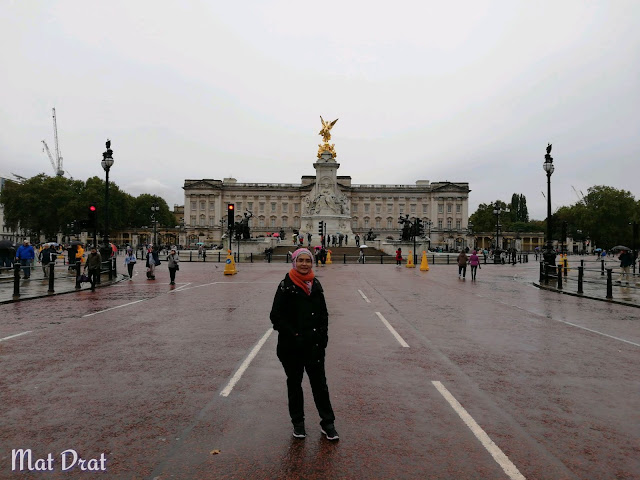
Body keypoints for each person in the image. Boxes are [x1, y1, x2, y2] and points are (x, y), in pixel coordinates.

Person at [269, 248, 338, 441]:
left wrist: (323, 337)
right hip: (292, 346)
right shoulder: (285, 285)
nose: (305, 264)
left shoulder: (315, 283)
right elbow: (276, 316)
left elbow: (323, 314)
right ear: (294, 262)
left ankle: (328, 423)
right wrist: (295, 334)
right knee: (294, 385)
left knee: (320, 386)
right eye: (301, 260)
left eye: (308, 260)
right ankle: (298, 424)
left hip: (314, 345)